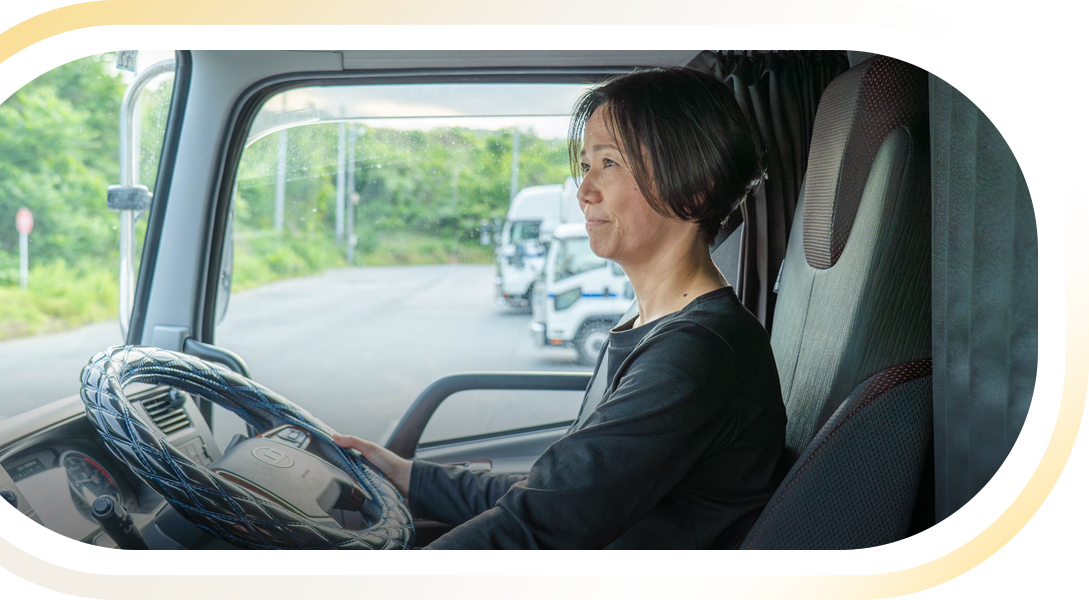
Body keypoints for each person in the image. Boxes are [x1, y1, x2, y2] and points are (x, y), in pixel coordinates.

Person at [335, 67, 787, 550]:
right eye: (587, 164)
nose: (584, 190)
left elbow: (537, 525)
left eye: (610, 163)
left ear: (696, 188)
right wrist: (408, 477)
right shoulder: (653, 327)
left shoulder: (696, 354)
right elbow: (558, 493)